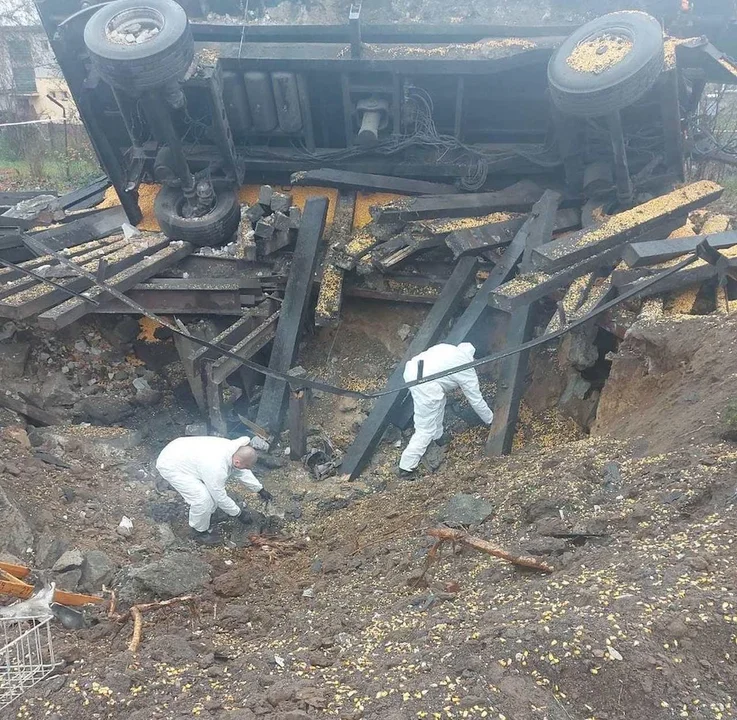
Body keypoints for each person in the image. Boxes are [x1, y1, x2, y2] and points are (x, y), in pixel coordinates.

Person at [156, 435, 273, 545]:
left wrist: (259, 489)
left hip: (183, 452)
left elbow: (242, 471)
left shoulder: (234, 450)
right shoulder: (217, 467)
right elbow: (219, 496)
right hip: (171, 464)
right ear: (237, 462)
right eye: (246, 466)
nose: (247, 469)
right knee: (202, 499)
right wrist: (238, 513)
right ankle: (199, 532)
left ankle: (205, 517)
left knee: (209, 497)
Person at [399, 342, 493, 475]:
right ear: (475, 359)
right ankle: (406, 467)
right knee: (425, 428)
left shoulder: (449, 348)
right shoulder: (467, 369)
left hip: (413, 371)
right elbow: (476, 400)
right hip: (426, 384)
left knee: (439, 400)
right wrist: (491, 420)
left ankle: (438, 437)